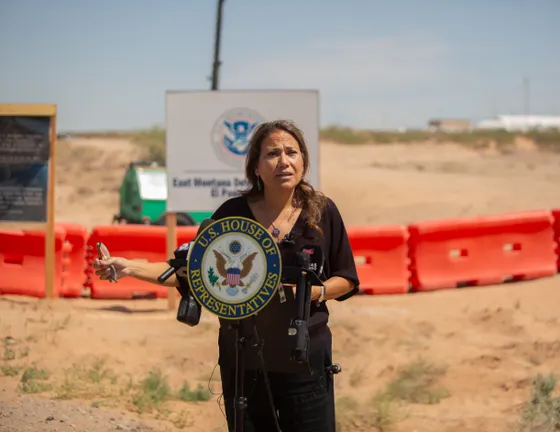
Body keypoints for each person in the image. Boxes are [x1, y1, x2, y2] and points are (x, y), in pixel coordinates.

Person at [93, 119, 360, 432]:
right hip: (243, 352)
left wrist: (314, 294)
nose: (284, 161)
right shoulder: (232, 214)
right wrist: (129, 268)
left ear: (303, 161)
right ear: (256, 168)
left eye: (292, 152)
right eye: (272, 154)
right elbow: (187, 272)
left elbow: (347, 278)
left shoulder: (322, 211)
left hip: (305, 351)